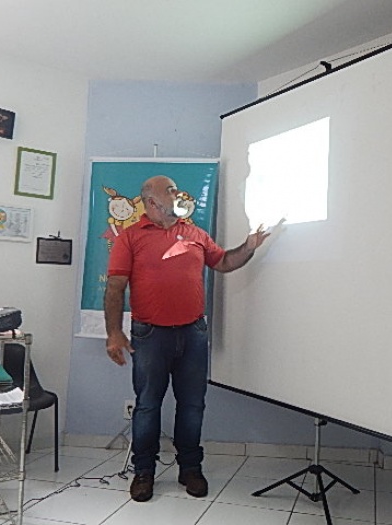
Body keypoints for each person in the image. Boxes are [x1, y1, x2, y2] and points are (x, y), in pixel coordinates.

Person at [104, 175, 269, 503]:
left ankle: (190, 469)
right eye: (170, 190)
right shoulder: (130, 237)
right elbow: (115, 287)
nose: (177, 193)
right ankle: (144, 472)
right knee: (147, 405)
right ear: (152, 201)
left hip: (193, 333)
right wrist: (114, 332)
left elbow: (224, 262)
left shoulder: (195, 233)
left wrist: (249, 246)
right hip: (150, 335)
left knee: (192, 405)